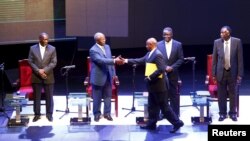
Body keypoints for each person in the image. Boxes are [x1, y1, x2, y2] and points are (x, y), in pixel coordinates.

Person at [122, 38, 184, 133]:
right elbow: (140, 60)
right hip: (152, 86)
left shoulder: (157, 54)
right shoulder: (150, 54)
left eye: (147, 45)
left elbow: (161, 69)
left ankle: (177, 123)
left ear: (152, 44)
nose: (146, 46)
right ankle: (151, 124)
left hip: (159, 86)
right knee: (152, 106)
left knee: (164, 107)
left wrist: (150, 77)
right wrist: (126, 60)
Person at [89, 32, 123, 122]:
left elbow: (110, 63)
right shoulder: (93, 50)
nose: (104, 40)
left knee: (108, 96)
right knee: (97, 97)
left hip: (108, 76)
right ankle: (97, 114)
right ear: (97, 40)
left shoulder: (107, 47)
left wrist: (114, 74)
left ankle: (107, 113)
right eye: (102, 39)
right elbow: (101, 61)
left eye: (104, 38)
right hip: (98, 77)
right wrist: (114, 60)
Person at [212, 26, 244, 122]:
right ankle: (222, 113)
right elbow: (214, 60)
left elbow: (240, 59)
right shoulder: (217, 42)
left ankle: (233, 113)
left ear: (228, 33)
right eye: (221, 32)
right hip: (220, 72)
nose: (221, 34)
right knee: (221, 94)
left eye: (223, 32)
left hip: (232, 72)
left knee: (232, 94)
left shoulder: (237, 42)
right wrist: (213, 74)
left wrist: (240, 74)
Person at [28, 32, 57, 122]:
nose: (46, 41)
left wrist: (44, 70)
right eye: (45, 39)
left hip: (48, 76)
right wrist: (38, 71)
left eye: (47, 39)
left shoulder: (52, 49)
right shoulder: (32, 48)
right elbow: (30, 61)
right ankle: (37, 114)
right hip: (36, 76)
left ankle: (49, 114)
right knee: (37, 97)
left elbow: (53, 62)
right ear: (40, 39)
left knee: (49, 96)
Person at [157, 27, 184, 116]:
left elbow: (181, 59)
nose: (166, 36)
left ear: (172, 35)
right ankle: (163, 113)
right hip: (162, 73)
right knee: (162, 94)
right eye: (164, 34)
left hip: (173, 73)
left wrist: (172, 67)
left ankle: (175, 114)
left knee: (173, 94)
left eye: (168, 34)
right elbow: (157, 59)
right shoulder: (158, 44)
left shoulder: (178, 44)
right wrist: (164, 67)